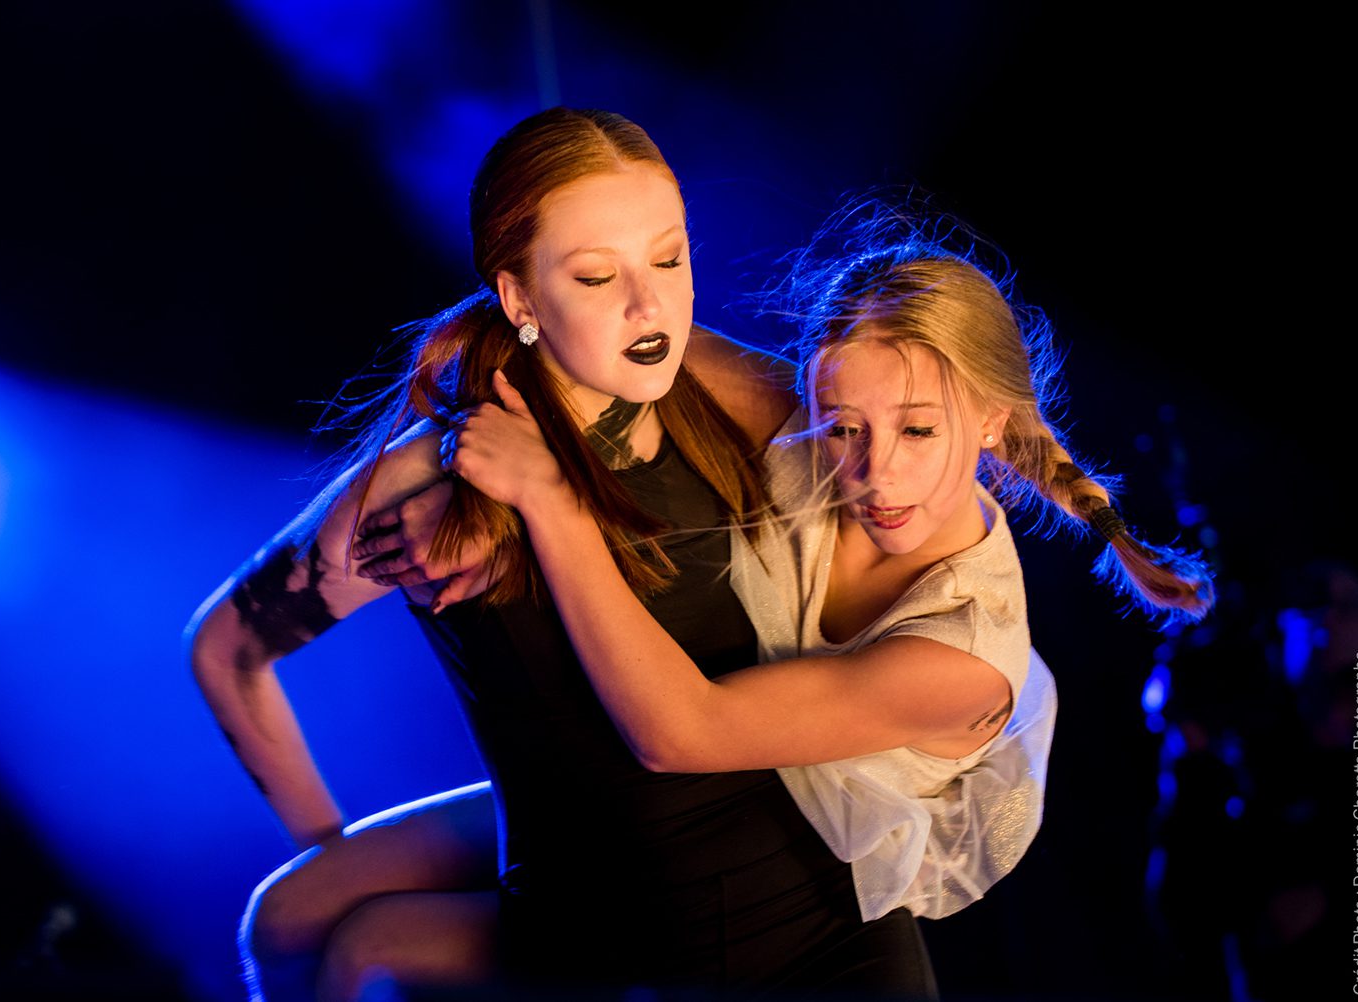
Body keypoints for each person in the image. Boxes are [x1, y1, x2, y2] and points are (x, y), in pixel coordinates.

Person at [191, 105, 916, 1002]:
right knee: (295, 921)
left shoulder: (719, 390)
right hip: (595, 912)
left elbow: (915, 448)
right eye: (596, 276)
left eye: (670, 259)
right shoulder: (423, 485)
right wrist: (326, 847)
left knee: (347, 936)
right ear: (521, 299)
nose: (649, 304)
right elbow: (226, 649)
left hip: (810, 912)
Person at [441, 211, 1215, 991]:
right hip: (691, 827)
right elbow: (605, 335)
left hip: (820, 941)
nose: (876, 473)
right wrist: (449, 481)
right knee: (368, 893)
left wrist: (548, 500)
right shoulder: (813, 421)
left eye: (918, 432)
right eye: (844, 428)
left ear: (990, 420)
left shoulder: (967, 657)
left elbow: (679, 733)